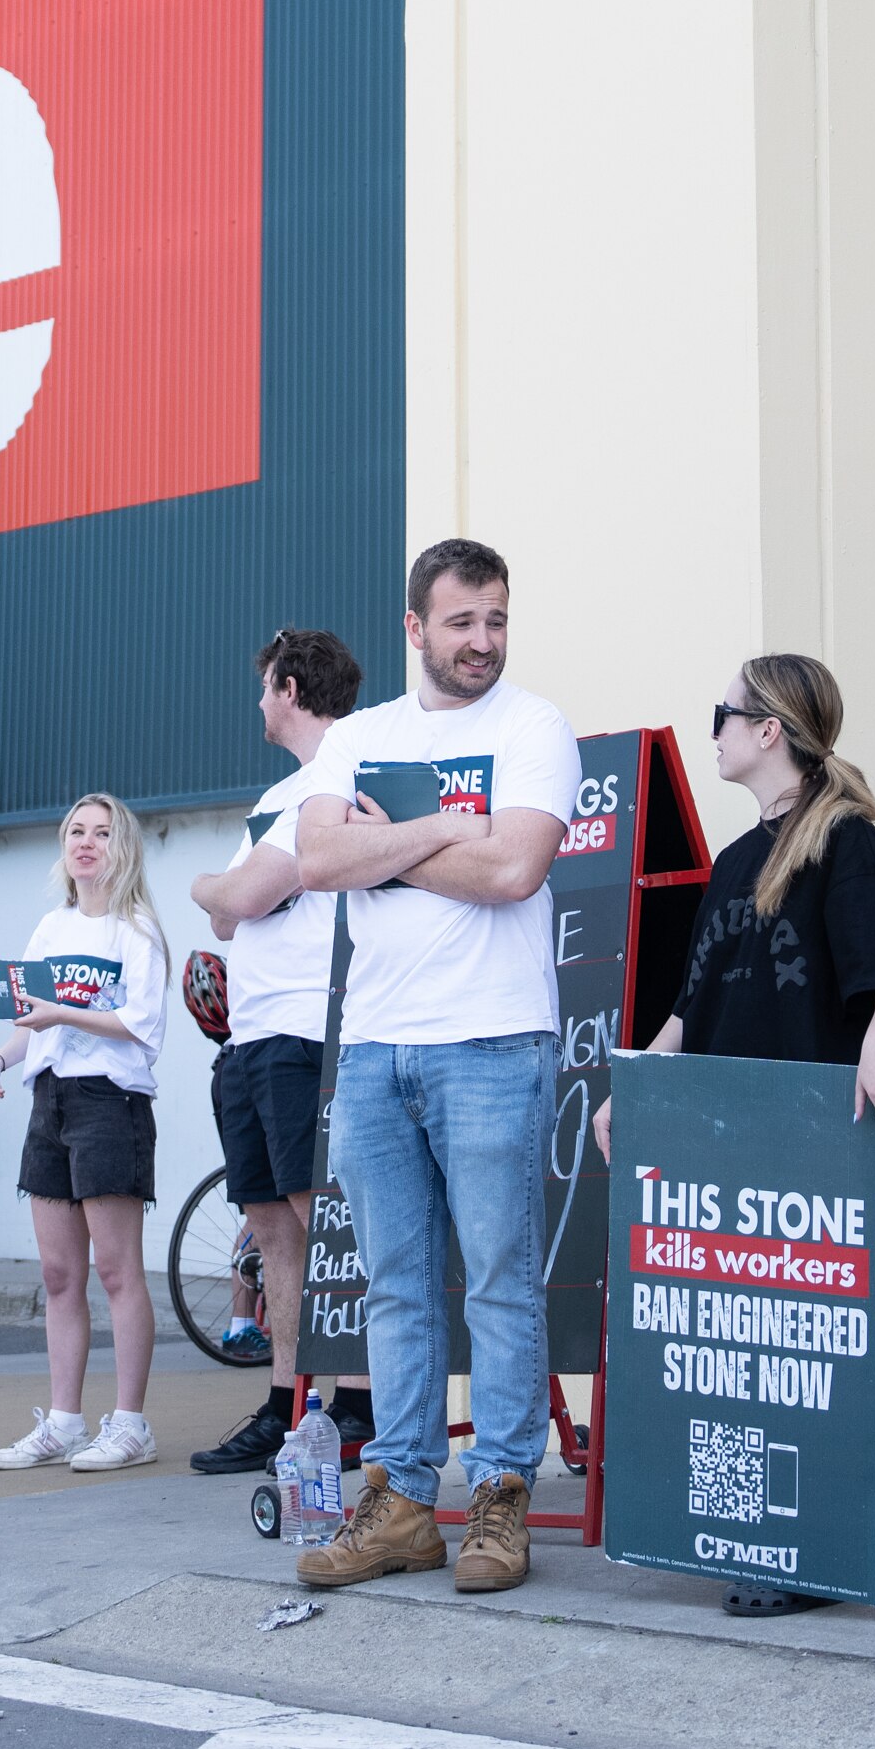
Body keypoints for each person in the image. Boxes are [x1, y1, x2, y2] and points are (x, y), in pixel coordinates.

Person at [616, 654, 875, 1616]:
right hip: (724, 1145)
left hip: (806, 1146)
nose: (712, 726)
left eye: (726, 712)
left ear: (770, 732)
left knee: (801, 1355)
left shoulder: (844, 840)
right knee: (732, 1349)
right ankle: (742, 1533)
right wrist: (636, 1081)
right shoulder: (733, 861)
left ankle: (800, 1548)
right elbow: (693, 1001)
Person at [288, 538, 575, 1596]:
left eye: (496, 619)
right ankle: (403, 1503)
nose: (482, 642)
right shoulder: (359, 735)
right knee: (397, 1290)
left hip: (496, 1039)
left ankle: (500, 1499)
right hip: (373, 1050)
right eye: (461, 623)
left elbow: (513, 869)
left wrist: (394, 839)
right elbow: (317, 861)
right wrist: (447, 823)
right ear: (416, 628)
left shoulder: (534, 728)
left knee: (501, 1285)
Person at [186, 629, 378, 1478]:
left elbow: (238, 894)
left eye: (264, 686)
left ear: (290, 687)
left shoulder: (342, 773)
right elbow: (230, 917)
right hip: (251, 1034)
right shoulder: (277, 795)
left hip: (312, 1027)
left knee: (324, 1221)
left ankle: (362, 1407)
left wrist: (214, 888)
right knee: (270, 1230)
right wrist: (227, 897)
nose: (258, 701)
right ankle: (286, 1403)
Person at [0, 794, 176, 1472]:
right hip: (51, 1101)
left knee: (116, 1269)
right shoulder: (50, 928)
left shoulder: (137, 928)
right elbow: (31, 1022)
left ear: (124, 849)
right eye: (76, 832)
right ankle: (62, 1420)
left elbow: (140, 1022)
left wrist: (61, 1008)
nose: (87, 843)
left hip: (109, 1102)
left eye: (102, 833)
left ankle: (130, 1423)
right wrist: (1, 1058)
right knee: (60, 1273)